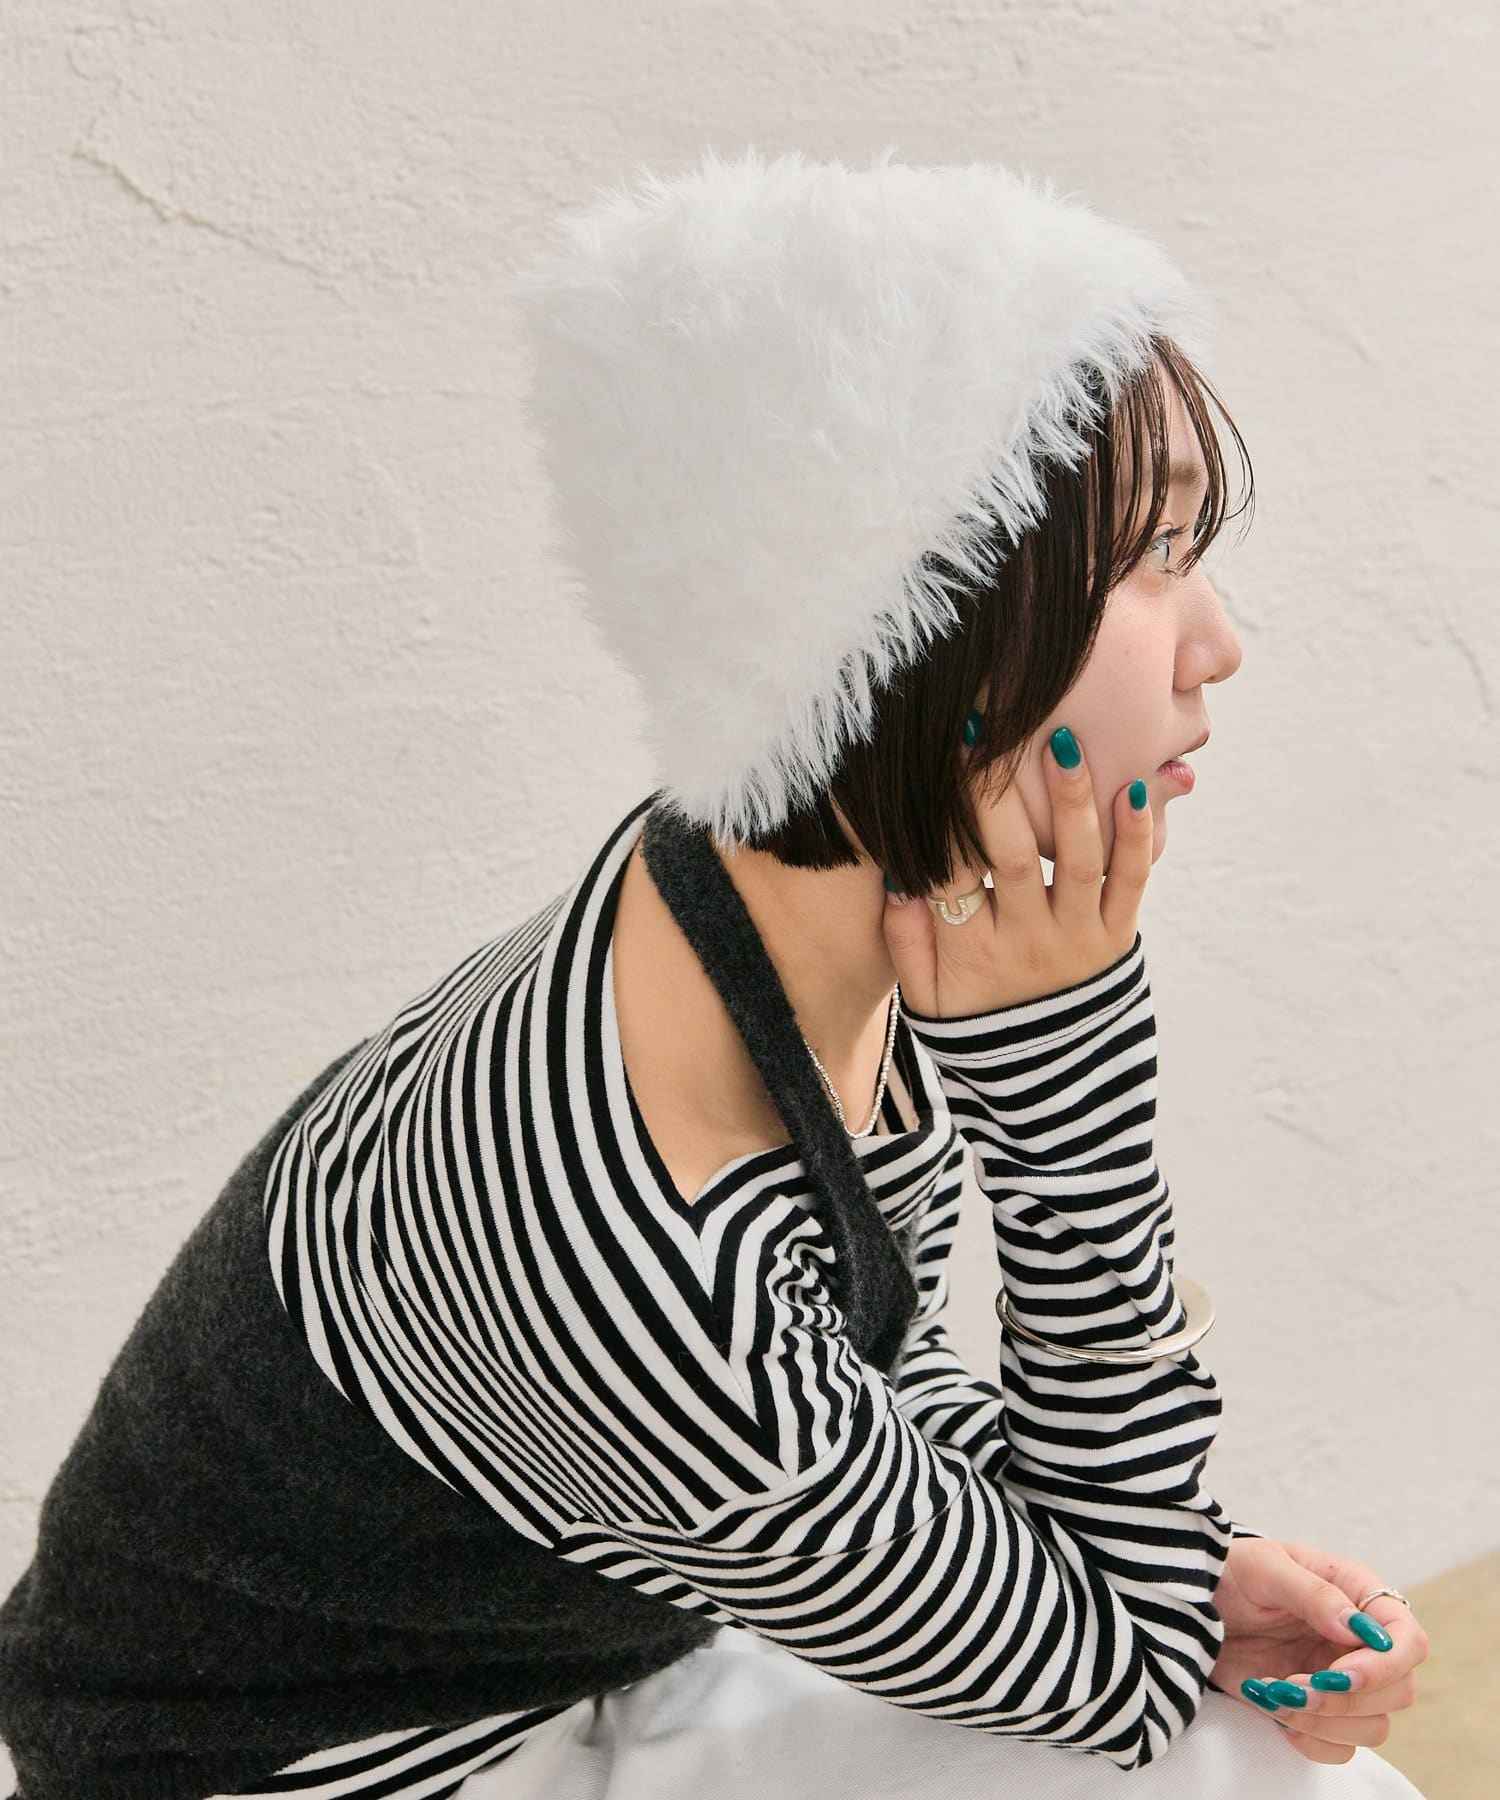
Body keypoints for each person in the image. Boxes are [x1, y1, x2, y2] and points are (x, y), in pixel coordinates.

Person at [0, 146, 1429, 1799]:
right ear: (922, 619)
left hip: (578, 1627)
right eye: (1155, 558)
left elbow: (857, 1379)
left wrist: (1191, 1567)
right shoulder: (637, 1248)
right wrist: (1069, 1069)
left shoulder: (744, 900)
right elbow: (1105, 1679)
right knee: (1229, 1770)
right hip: (344, 1767)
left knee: (1273, 1761)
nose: (1218, 643)